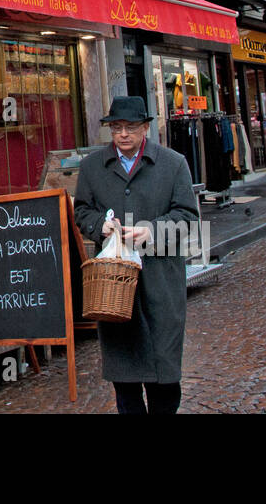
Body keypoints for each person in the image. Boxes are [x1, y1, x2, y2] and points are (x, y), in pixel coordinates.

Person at [73, 96, 198, 415]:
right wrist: (100, 226)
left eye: (130, 127)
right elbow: (82, 211)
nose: (123, 134)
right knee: (125, 380)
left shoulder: (173, 164)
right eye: (116, 127)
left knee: (164, 379)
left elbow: (187, 216)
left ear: (145, 128)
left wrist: (151, 231)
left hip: (161, 284)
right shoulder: (92, 167)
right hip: (114, 289)